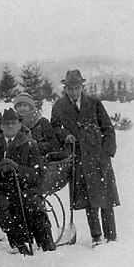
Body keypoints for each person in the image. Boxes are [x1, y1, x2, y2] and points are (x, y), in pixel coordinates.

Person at [50, 69, 120, 248]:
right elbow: (54, 128)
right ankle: (96, 236)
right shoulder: (59, 106)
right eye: (70, 88)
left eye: (76, 88)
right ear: (65, 88)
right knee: (90, 200)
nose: (73, 92)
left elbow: (108, 129)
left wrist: (107, 151)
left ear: (82, 86)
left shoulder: (95, 103)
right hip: (79, 158)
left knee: (106, 198)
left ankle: (111, 237)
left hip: (98, 157)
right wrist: (64, 134)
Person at [0, 108, 56, 255]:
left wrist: (17, 168)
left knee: (34, 206)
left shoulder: (30, 145)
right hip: (3, 190)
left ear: (19, 125)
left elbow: (39, 174)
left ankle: (47, 245)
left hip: (26, 189)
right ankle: (19, 243)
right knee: (1, 205)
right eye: (6, 123)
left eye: (13, 123)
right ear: (1, 126)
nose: (10, 126)